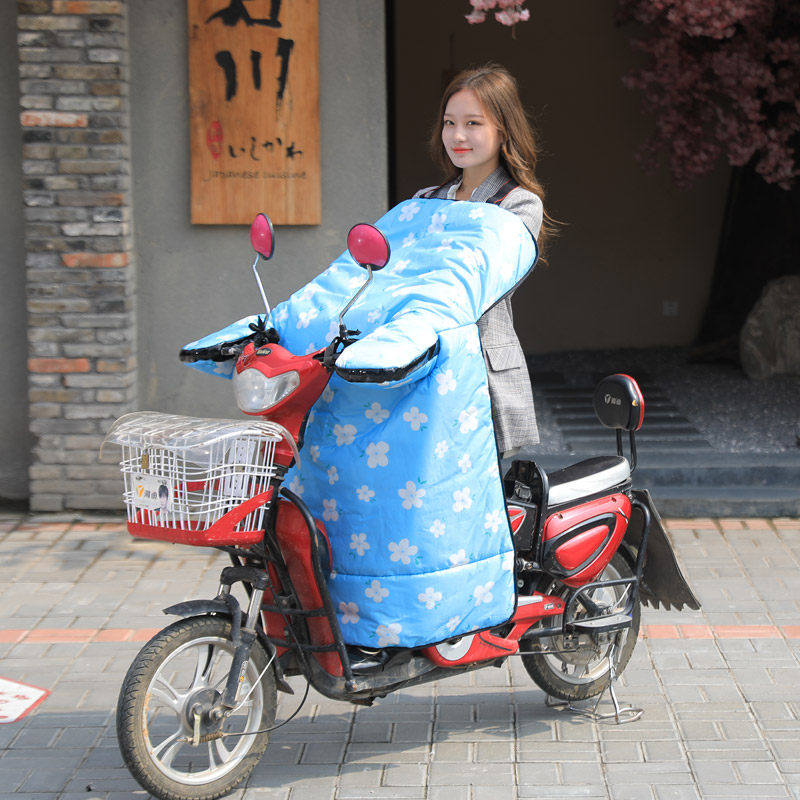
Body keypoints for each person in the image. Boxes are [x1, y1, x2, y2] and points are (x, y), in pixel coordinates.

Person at [414, 64, 551, 457]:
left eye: (473, 123)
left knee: (477, 486)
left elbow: (483, 282)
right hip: (421, 363)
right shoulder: (423, 201)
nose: (457, 135)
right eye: (449, 122)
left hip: (481, 369)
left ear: (503, 130)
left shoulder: (519, 204)